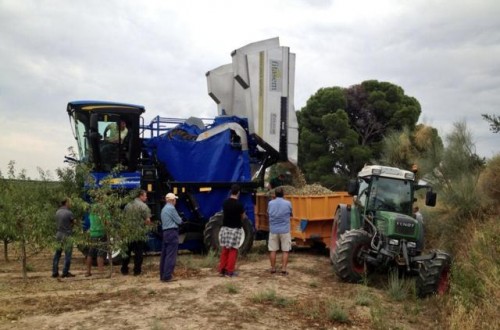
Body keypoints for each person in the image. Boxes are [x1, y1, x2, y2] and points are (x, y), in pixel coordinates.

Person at [121, 190, 152, 276]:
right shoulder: (144, 206)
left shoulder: (128, 205)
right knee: (138, 253)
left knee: (127, 252)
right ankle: (137, 271)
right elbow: (147, 220)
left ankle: (124, 269)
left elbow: (123, 217)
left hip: (128, 232)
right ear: (140, 196)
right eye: (145, 196)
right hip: (138, 233)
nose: (146, 197)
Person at [218, 184, 245, 277]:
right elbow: (243, 217)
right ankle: (230, 271)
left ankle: (222, 269)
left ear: (231, 191)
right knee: (233, 250)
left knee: (225, 249)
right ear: (238, 193)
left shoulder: (225, 203)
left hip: (225, 228)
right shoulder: (239, 204)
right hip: (235, 229)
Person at [267, 187, 293, 275]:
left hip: (273, 229)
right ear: (283, 194)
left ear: (275, 194)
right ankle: (284, 269)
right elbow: (291, 214)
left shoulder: (270, 203)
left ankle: (273, 269)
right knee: (285, 250)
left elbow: (268, 213)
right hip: (285, 230)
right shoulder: (288, 203)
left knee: (273, 250)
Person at [159, 192, 183, 282]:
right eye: (175, 200)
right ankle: (168, 276)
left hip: (165, 232)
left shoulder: (164, 209)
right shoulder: (171, 208)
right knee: (171, 255)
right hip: (172, 232)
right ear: (172, 200)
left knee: (164, 255)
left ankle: (162, 275)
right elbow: (178, 221)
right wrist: (182, 220)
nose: (176, 201)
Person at [52, 198, 76, 278]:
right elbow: (73, 223)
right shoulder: (69, 213)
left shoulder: (57, 212)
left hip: (58, 234)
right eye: (69, 202)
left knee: (57, 254)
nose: (70, 204)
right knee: (67, 255)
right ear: (66, 203)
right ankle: (65, 272)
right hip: (67, 235)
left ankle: (55, 272)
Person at [84, 207, 107, 277]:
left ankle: (88, 272)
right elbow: (106, 222)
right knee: (101, 253)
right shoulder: (103, 210)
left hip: (92, 234)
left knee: (90, 253)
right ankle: (101, 273)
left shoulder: (92, 212)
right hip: (101, 233)